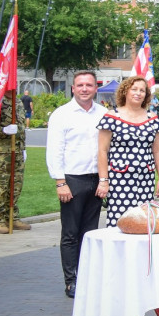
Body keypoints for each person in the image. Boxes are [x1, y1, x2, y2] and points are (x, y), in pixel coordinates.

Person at [46, 71, 105, 298]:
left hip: (96, 179)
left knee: (89, 233)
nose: (84, 89)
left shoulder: (103, 113)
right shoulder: (62, 115)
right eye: (80, 85)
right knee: (70, 233)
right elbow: (55, 150)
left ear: (96, 88)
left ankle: (87, 277)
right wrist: (60, 182)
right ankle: (71, 281)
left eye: (89, 85)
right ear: (73, 88)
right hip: (72, 179)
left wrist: (104, 179)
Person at [96, 76, 159, 228]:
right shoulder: (111, 116)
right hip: (119, 180)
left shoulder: (152, 118)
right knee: (120, 222)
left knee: (144, 222)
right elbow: (102, 150)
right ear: (125, 91)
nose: (138, 93)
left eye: (142, 90)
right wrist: (103, 181)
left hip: (145, 180)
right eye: (134, 89)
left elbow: (158, 150)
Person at [0, 93, 28, 234]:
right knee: (1, 186)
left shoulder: (18, 101)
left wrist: (23, 148)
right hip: (2, 152)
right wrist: (3, 130)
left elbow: (21, 128)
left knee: (16, 185)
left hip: (18, 150)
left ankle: (12, 217)